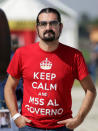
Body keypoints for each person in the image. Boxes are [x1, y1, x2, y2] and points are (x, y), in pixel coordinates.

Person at [4, 8, 96, 131]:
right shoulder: (22, 54)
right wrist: (16, 116)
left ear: (61, 27)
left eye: (53, 23)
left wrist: (79, 118)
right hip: (29, 127)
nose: (48, 27)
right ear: (37, 28)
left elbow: (90, 90)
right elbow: (9, 87)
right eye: (43, 24)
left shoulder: (74, 56)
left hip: (61, 127)